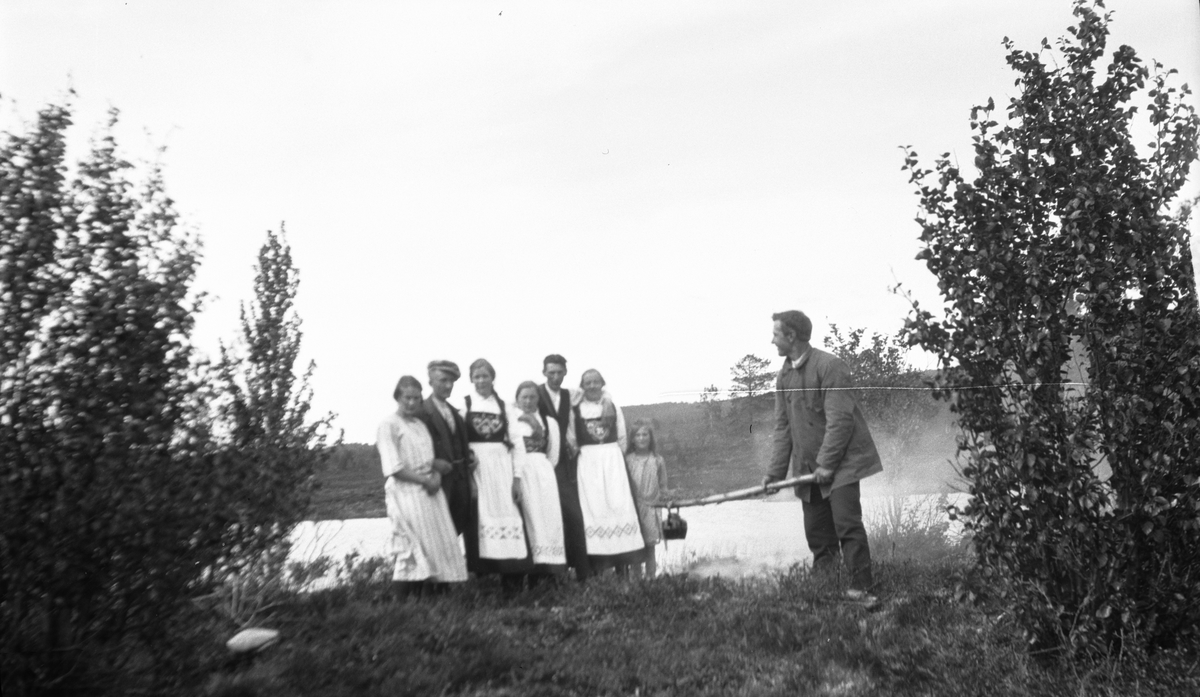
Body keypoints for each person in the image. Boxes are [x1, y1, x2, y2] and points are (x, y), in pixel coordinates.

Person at [762, 310, 882, 605]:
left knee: (846, 525)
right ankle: (825, 590)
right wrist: (775, 473)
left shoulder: (830, 366)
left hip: (842, 464)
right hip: (808, 468)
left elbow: (841, 421)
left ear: (792, 336)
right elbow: (783, 428)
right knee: (817, 533)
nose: (771, 340)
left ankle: (861, 589)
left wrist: (828, 464)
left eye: (776, 334)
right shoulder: (784, 375)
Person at [376, 375, 468, 596]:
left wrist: (436, 472)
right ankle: (400, 604)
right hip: (405, 491)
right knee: (411, 546)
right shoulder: (388, 425)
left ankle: (429, 603)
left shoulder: (419, 424)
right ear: (397, 397)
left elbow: (428, 459)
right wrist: (426, 480)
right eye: (407, 398)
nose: (411, 403)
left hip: (429, 491)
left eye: (416, 399)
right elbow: (394, 468)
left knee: (435, 547)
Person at [461, 358, 532, 582]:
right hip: (478, 472)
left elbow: (517, 444)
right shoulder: (465, 405)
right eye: (477, 377)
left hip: (502, 471)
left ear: (493, 378)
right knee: (479, 520)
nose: (481, 381)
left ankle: (512, 582)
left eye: (485, 376)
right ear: (471, 379)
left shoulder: (505, 407)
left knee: (509, 517)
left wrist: (517, 478)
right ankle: (482, 584)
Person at [570, 368, 645, 571]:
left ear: (602, 384)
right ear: (582, 386)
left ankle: (622, 566)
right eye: (588, 383)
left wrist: (616, 460)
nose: (592, 386)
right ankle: (599, 568)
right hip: (588, 462)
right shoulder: (575, 409)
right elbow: (572, 438)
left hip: (612, 461)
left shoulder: (613, 406)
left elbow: (621, 437)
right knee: (594, 509)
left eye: (596, 382)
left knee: (618, 505)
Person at [417, 360, 479, 572]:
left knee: (453, 529)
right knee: (433, 532)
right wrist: (432, 462)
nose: (448, 386)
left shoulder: (454, 412)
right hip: (436, 482)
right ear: (431, 381)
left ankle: (447, 580)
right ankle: (431, 585)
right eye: (443, 380)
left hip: (459, 481)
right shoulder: (422, 412)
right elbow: (412, 447)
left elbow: (460, 443)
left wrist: (469, 456)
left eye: (451, 381)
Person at [536, 354, 591, 581]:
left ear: (565, 373)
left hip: (567, 465)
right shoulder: (535, 393)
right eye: (551, 373)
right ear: (544, 372)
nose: (556, 377)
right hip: (544, 462)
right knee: (546, 517)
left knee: (575, 517)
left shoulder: (572, 395)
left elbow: (598, 396)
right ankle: (547, 577)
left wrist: (573, 443)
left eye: (559, 372)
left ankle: (583, 574)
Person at [510, 380, 567, 580]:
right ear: (516, 398)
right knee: (524, 520)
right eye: (523, 397)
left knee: (546, 520)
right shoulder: (510, 419)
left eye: (532, 397)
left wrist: (540, 470)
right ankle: (521, 574)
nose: (528, 401)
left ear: (539, 399)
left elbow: (553, 455)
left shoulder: (549, 422)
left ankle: (545, 576)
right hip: (518, 473)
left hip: (543, 475)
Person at [624, 420, 669, 578]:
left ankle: (651, 580)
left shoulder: (657, 460)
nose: (642, 438)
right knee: (635, 546)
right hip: (633, 508)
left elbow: (663, 486)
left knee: (650, 547)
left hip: (651, 508)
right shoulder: (628, 460)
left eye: (645, 434)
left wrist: (667, 498)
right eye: (638, 435)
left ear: (650, 438)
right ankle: (636, 580)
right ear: (632, 439)